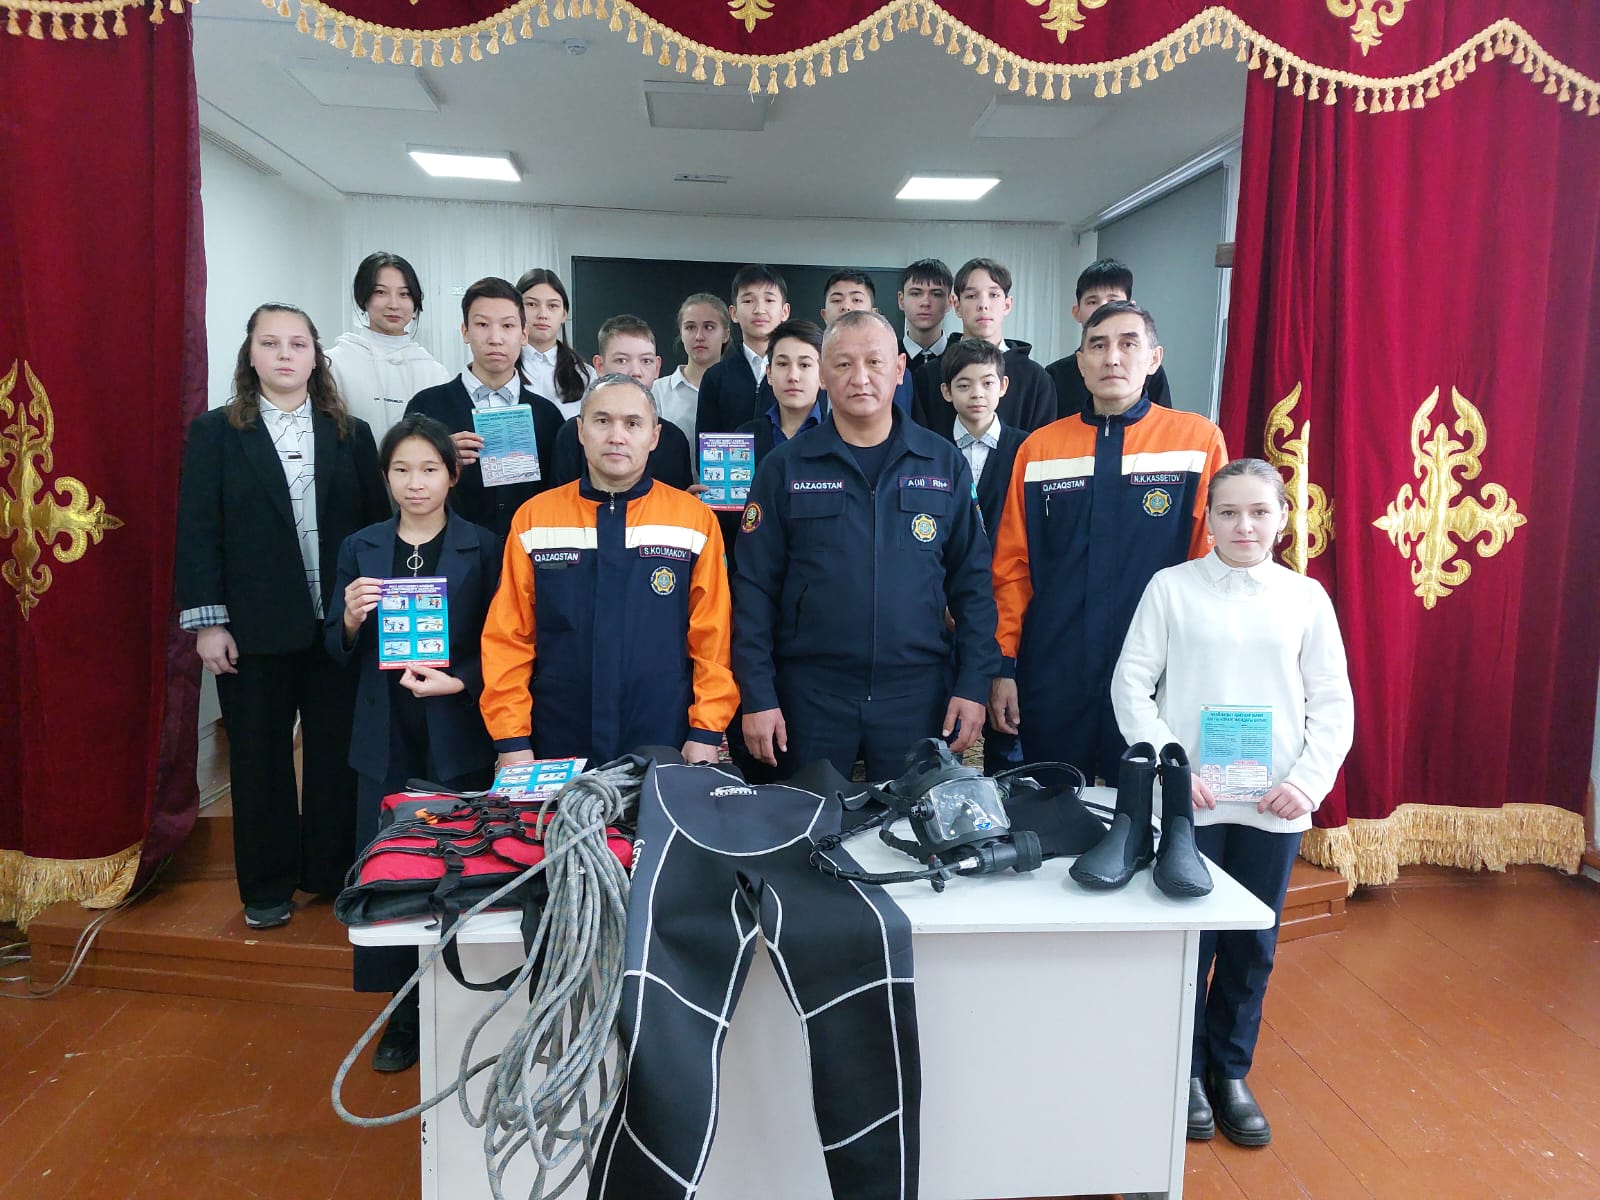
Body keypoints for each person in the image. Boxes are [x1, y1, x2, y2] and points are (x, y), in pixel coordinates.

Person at [1111, 458, 1353, 1148]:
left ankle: (1230, 1070)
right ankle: (1184, 1070)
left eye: (1259, 512)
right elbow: (1131, 686)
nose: (1244, 526)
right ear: (1208, 520)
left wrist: (1306, 783)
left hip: (1273, 804)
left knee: (1253, 944)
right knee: (1191, 939)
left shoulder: (1306, 598)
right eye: (1228, 512)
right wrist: (1172, 766)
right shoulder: (1171, 588)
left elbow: (1333, 702)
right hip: (1193, 801)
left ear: (1283, 518)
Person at [176, 303, 389, 931]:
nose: (285, 355)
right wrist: (208, 624)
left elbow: (377, 528)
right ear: (251, 354)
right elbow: (198, 530)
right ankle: (267, 887)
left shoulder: (350, 433)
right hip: (252, 630)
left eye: (298, 344)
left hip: (338, 628)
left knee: (334, 756)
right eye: (271, 343)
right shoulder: (216, 433)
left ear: (316, 356)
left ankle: (330, 872)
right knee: (259, 759)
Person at [732, 310, 999, 780]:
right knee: (807, 820)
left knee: (913, 824)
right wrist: (758, 695)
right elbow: (752, 589)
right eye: (842, 364)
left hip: (917, 695)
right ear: (822, 373)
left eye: (875, 362)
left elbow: (973, 584)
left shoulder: (942, 463)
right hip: (809, 696)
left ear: (899, 369)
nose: (860, 378)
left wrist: (974, 684)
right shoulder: (784, 467)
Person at [325, 413, 502, 1074]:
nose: (416, 482)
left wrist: (462, 681)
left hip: (456, 727)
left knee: (460, 863)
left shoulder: (484, 545)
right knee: (390, 869)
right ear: (386, 477)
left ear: (453, 475)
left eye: (429, 468)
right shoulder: (361, 546)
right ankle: (401, 1013)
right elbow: (334, 646)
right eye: (402, 469)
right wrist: (349, 618)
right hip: (385, 730)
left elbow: (507, 641)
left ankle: (467, 999)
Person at [989, 301, 1226, 786]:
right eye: (1097, 345)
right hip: (1056, 665)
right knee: (1053, 801)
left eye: (1128, 344)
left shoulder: (1196, 441)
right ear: (1080, 362)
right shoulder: (1040, 450)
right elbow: (1012, 569)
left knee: (1147, 806)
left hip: (1156, 668)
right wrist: (1003, 666)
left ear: (1154, 358)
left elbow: (1211, 563)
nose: (1112, 357)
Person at [480, 374, 738, 767]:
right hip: (558, 733)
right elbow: (509, 637)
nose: (617, 436)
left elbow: (713, 637)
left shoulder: (693, 520)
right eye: (602, 421)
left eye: (633, 423)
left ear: (654, 436)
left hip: (662, 729)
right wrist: (511, 739)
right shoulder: (535, 519)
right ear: (581, 431)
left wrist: (706, 731)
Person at [404, 277, 566, 537]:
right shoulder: (426, 407)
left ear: (524, 334)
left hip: (527, 549)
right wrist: (437, 457)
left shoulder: (547, 416)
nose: (495, 338)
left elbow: (559, 494)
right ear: (465, 331)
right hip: (448, 549)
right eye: (482, 324)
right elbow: (405, 482)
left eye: (508, 325)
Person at [911, 257, 1056, 433]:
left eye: (993, 295)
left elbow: (1042, 446)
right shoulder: (929, 375)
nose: (983, 305)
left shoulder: (1036, 378)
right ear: (957, 305)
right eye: (971, 296)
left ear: (1007, 304)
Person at [547, 315, 695, 489]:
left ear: (657, 367)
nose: (636, 371)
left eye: (646, 361)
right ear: (599, 366)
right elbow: (559, 499)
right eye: (622, 360)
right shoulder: (571, 435)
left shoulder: (674, 439)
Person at [325, 251, 450, 444]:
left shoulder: (434, 372)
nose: (394, 304)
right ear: (363, 299)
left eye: (404, 294)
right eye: (380, 292)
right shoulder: (334, 365)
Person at [1046, 259, 1173, 415]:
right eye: (1092, 302)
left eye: (1113, 301)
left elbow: (1162, 422)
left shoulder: (1146, 368)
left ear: (1131, 307)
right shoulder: (1056, 375)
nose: (1104, 308)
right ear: (1077, 312)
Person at [938, 337, 1026, 533]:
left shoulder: (1025, 448)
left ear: (1003, 386)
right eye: (964, 386)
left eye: (987, 383)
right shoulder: (934, 450)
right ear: (947, 391)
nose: (977, 394)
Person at [694, 264, 790, 435]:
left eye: (769, 300)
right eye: (748, 301)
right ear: (734, 313)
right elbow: (707, 444)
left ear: (784, 311)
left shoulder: (801, 374)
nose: (759, 310)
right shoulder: (716, 377)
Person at [819, 268, 913, 412]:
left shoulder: (894, 371)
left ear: (874, 313)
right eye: (837, 300)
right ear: (824, 315)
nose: (846, 307)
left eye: (856, 300)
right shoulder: (808, 368)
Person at [652, 292, 732, 443]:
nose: (699, 336)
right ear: (681, 333)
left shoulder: (740, 389)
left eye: (709, 327)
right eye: (690, 327)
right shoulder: (658, 391)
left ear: (725, 335)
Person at [516, 267, 595, 418]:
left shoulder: (584, 374)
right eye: (531, 304)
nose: (543, 314)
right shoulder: (499, 367)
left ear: (564, 314)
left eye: (552, 306)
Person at [897, 257, 955, 376]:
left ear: (950, 302)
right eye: (916, 293)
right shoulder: (887, 356)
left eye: (936, 294)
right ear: (901, 300)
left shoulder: (962, 358)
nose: (925, 303)